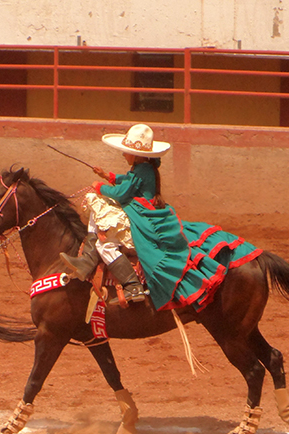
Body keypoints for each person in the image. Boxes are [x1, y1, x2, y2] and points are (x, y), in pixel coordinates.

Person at [61, 123, 262, 312]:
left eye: (126, 151)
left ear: (135, 154)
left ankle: (132, 286)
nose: (123, 154)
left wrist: (101, 187)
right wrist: (109, 177)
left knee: (105, 239)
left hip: (142, 216)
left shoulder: (142, 170)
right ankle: (87, 260)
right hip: (139, 210)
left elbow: (123, 192)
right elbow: (128, 181)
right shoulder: (143, 168)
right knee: (99, 212)